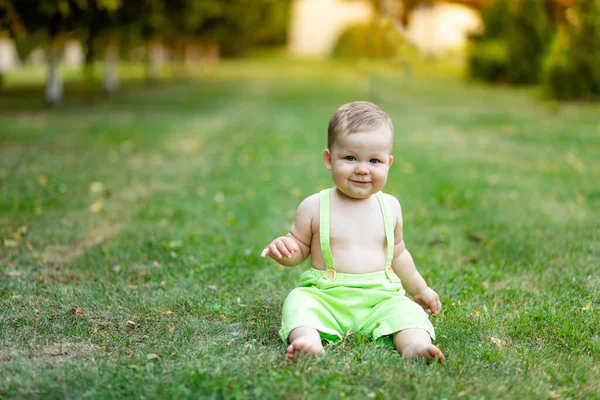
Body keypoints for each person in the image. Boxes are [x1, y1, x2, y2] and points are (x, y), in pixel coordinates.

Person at [260, 101, 444, 363]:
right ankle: (308, 341)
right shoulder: (314, 206)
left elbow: (399, 255)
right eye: (350, 158)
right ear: (329, 159)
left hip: (380, 299)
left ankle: (414, 346)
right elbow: (298, 248)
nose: (362, 168)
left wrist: (420, 289)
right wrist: (284, 249)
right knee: (298, 301)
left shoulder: (390, 207)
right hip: (327, 297)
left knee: (408, 312)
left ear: (388, 163)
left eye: (374, 160)